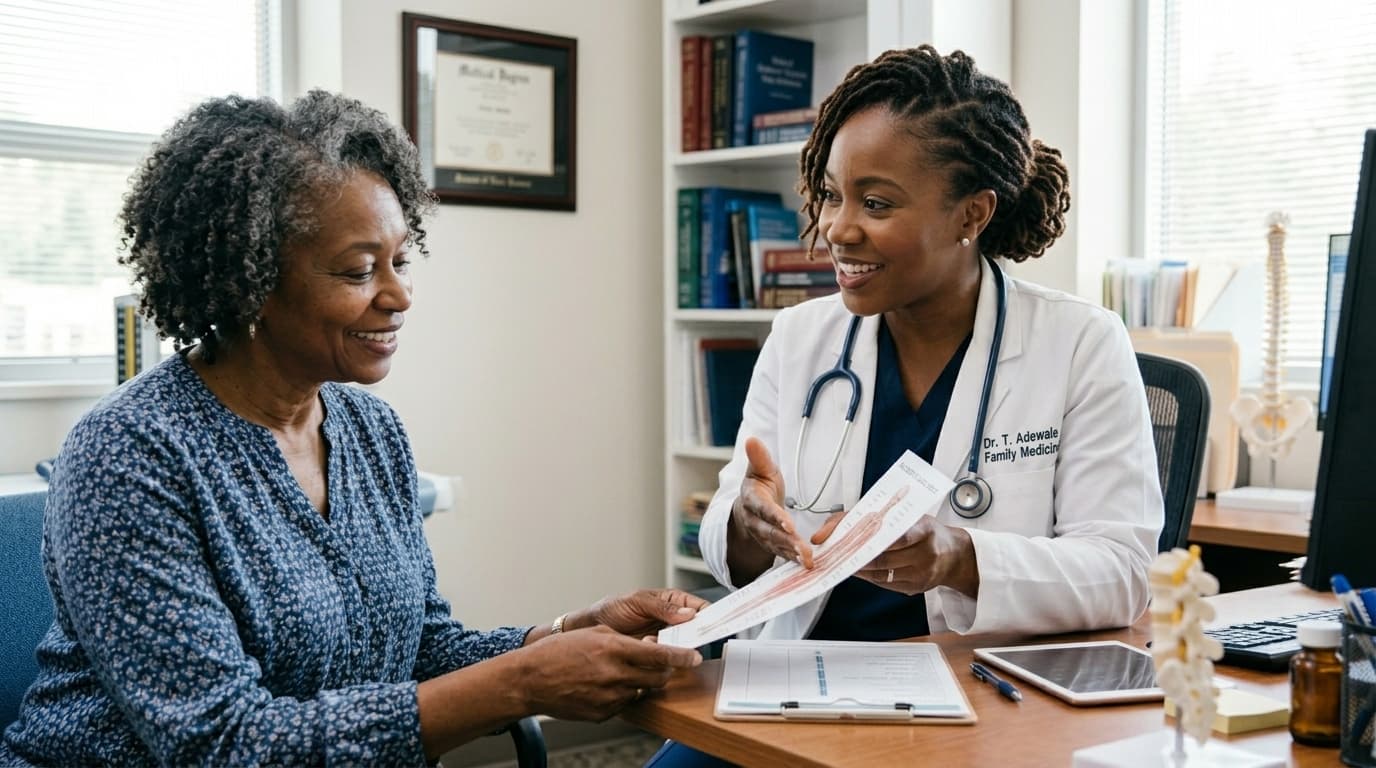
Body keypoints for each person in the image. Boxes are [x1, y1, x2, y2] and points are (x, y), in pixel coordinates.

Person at [0, 91, 704, 767]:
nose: (398, 297)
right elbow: (219, 745)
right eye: (360, 270)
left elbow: (420, 647)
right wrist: (520, 685)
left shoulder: (370, 430)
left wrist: (562, 635)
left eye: (400, 260)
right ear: (250, 281)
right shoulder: (129, 454)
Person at [648, 44, 1163, 767]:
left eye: (877, 203)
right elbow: (733, 526)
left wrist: (961, 558)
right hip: (798, 688)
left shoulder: (1078, 343)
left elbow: (1120, 573)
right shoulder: (802, 338)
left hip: (977, 700)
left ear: (971, 214)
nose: (837, 228)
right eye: (830, 195)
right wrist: (745, 518)